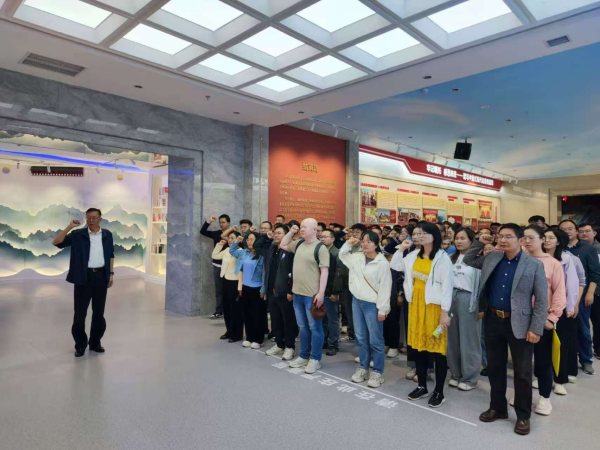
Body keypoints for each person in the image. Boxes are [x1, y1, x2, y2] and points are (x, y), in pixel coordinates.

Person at [464, 224, 548, 436]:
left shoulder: (533, 265)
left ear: (520, 240)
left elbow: (541, 300)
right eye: (500, 236)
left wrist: (536, 328)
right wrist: (479, 242)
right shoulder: (492, 257)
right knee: (495, 368)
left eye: (508, 236)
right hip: (493, 320)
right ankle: (498, 407)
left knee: (522, 372)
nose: (502, 240)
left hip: (520, 323)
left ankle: (523, 416)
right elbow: (468, 260)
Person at [53, 208, 114, 357]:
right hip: (83, 277)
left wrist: (111, 274)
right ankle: (80, 345)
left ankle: (95, 343)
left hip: (101, 277)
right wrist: (69, 227)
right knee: (80, 314)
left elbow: (111, 255)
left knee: (99, 313)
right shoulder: (78, 234)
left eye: (94, 217)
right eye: (88, 217)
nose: (91, 220)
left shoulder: (107, 234)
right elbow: (57, 242)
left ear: (100, 218)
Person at [521, 225, 566, 416]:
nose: (527, 241)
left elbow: (559, 293)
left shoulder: (552, 263)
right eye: (524, 238)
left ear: (542, 240)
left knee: (542, 361)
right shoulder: (519, 260)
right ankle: (522, 395)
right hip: (520, 318)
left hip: (542, 319)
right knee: (521, 362)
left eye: (531, 237)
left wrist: (552, 318)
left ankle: (545, 397)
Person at [340, 231, 392, 388]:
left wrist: (382, 309)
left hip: (373, 305)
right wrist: (348, 243)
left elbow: (385, 287)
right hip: (357, 301)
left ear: (377, 244)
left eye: (369, 241)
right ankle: (363, 368)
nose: (365, 244)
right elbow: (342, 255)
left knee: (375, 340)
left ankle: (377, 372)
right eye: (363, 241)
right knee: (361, 338)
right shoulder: (357, 257)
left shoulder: (382, 263)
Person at [280, 219, 330, 374]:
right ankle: (303, 355)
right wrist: (291, 232)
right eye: (301, 227)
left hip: (312, 295)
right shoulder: (299, 244)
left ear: (314, 230)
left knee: (315, 327)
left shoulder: (321, 248)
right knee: (302, 327)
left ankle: (315, 359)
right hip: (297, 293)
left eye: (305, 227)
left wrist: (321, 293)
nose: (302, 229)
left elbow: (325, 272)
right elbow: (282, 244)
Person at [544, 229, 584, 394]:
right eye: (544, 237)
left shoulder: (567, 260)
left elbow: (573, 284)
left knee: (560, 344)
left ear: (558, 241)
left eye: (551, 238)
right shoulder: (537, 258)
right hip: (541, 308)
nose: (546, 240)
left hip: (560, 308)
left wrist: (570, 307)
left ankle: (559, 379)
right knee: (541, 346)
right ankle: (543, 376)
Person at [559, 219, 600, 375]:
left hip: (581, 296)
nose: (567, 232)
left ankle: (586, 359)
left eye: (570, 229)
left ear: (576, 231)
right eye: (563, 229)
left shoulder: (587, 249)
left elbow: (594, 273)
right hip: (560, 295)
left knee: (583, 328)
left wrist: (590, 293)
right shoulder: (558, 247)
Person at [447, 227, 482, 392]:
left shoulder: (479, 260)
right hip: (450, 298)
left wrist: (481, 305)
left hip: (469, 299)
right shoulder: (450, 258)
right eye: (457, 238)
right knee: (452, 338)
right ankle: (456, 374)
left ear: (471, 240)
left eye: (463, 238)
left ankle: (470, 378)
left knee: (469, 340)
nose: (458, 241)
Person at [262, 225, 296, 361]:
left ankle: (289, 346)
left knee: (288, 320)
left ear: (287, 235)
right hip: (272, 291)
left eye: (279, 233)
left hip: (285, 291)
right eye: (274, 233)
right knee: (275, 320)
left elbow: (293, 271)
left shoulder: (289, 250)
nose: (275, 235)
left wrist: (290, 290)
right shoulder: (272, 249)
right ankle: (279, 344)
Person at [229, 232, 265, 349]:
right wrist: (236, 241)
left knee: (257, 315)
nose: (249, 242)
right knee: (247, 314)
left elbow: (265, 273)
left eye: (252, 239)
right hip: (245, 287)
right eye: (248, 239)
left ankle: (258, 339)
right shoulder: (244, 253)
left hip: (257, 288)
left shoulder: (262, 255)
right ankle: (249, 337)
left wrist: (263, 288)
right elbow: (232, 251)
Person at [334, 223, 366, 342]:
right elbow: (340, 258)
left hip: (361, 285)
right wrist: (349, 244)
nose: (354, 234)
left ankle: (362, 337)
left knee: (360, 313)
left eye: (357, 232)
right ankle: (352, 334)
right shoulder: (348, 246)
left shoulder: (365, 247)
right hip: (347, 283)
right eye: (353, 232)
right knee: (349, 311)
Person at [212, 232, 243, 342]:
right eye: (229, 238)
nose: (230, 240)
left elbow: (241, 270)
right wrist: (219, 245)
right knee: (227, 308)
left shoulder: (241, 252)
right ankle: (229, 331)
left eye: (232, 238)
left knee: (235, 310)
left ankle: (237, 334)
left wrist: (240, 286)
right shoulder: (226, 250)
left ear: (238, 240)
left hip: (235, 282)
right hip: (225, 279)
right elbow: (214, 256)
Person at [201, 214, 231, 319]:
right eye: (220, 222)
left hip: (229, 266)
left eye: (223, 222)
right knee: (219, 290)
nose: (221, 224)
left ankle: (229, 311)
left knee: (229, 290)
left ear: (228, 223)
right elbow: (203, 231)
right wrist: (209, 221)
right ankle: (219, 311)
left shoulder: (232, 235)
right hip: (217, 265)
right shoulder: (217, 233)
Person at [578, 223, 600, 358]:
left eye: (587, 231)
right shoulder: (575, 249)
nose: (584, 234)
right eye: (581, 231)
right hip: (582, 291)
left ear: (594, 233)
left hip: (597, 291)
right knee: (583, 324)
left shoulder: (597, 248)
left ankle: (597, 348)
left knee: (597, 321)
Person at [320, 229, 341, 356]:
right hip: (321, 290)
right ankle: (324, 340)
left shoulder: (337, 253)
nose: (322, 239)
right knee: (322, 317)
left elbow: (338, 275)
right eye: (321, 236)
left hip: (331, 290)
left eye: (325, 237)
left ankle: (333, 344)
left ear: (333, 239)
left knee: (332, 319)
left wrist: (335, 292)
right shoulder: (320, 251)